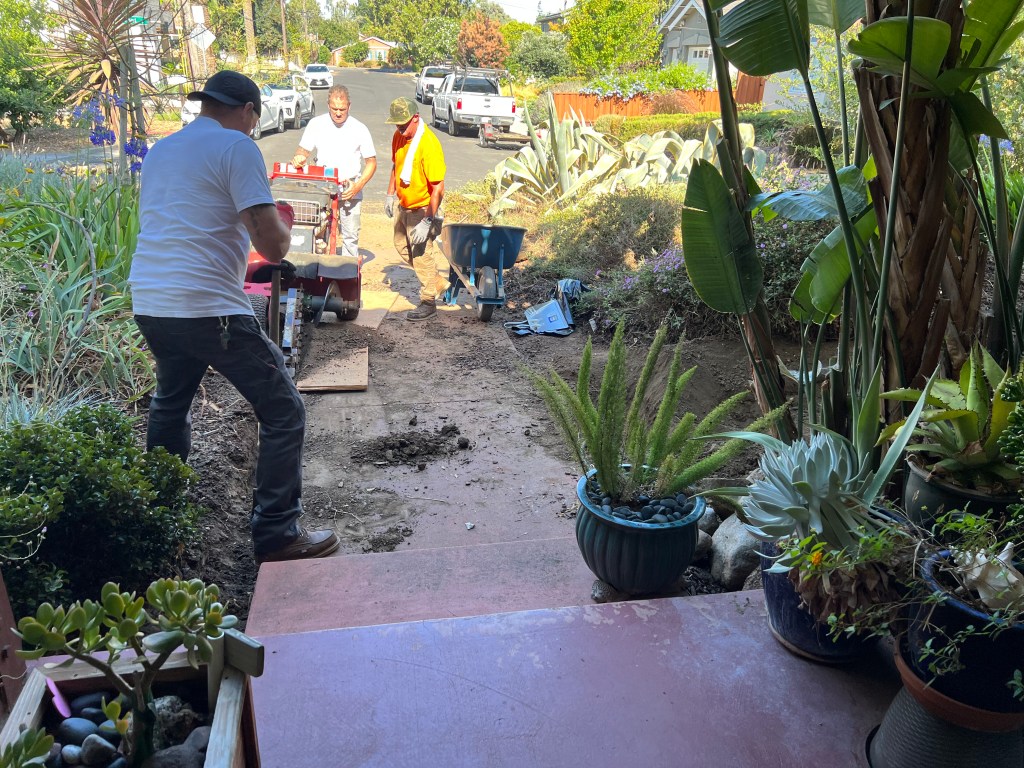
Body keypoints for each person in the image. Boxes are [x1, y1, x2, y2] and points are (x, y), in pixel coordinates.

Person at [129, 70, 340, 565]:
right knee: (284, 410)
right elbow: (269, 241)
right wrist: (283, 229)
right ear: (248, 111)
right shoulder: (237, 148)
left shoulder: (162, 150)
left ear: (207, 104)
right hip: (207, 308)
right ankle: (277, 533)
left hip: (152, 302)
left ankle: (161, 518)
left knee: (169, 404)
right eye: (252, 118)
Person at [291, 84, 376, 260]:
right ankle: (317, 269)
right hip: (322, 188)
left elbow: (371, 162)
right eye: (335, 109)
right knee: (318, 231)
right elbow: (302, 152)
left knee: (350, 236)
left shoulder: (359, 129)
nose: (338, 113)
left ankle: (348, 272)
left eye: (342, 109)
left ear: (349, 106)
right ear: (328, 105)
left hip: (350, 187)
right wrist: (299, 158)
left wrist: (357, 186)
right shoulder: (316, 124)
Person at [384, 96, 447, 321]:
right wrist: (390, 194)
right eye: (397, 125)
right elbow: (396, 165)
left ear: (416, 118)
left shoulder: (428, 144)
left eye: (403, 125)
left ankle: (428, 301)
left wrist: (428, 220)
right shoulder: (399, 136)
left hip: (422, 208)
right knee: (402, 246)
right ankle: (437, 282)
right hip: (404, 204)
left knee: (421, 255)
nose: (400, 130)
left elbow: (438, 187)